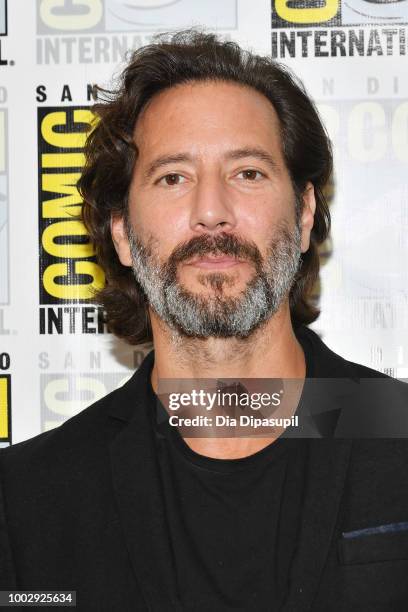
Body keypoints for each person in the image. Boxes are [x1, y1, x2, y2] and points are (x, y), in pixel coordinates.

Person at [1, 30, 408, 611]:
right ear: (120, 231)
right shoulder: (29, 499)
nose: (211, 211)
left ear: (303, 212)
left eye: (248, 172)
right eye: (173, 178)